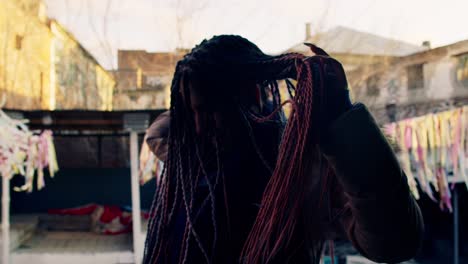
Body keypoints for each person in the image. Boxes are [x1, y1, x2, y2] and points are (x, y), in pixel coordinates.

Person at [143, 35, 424, 264]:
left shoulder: (307, 166)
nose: (199, 127)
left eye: (209, 111)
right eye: (190, 114)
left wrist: (342, 117)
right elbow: (157, 133)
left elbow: (396, 243)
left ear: (254, 95)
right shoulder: (195, 157)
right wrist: (199, 83)